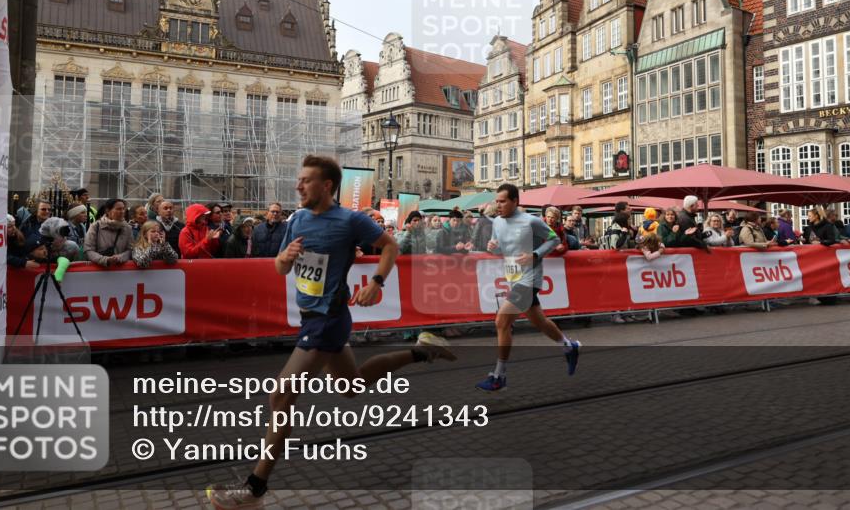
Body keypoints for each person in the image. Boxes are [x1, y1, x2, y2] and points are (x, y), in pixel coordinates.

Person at [205, 155, 455, 509]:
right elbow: (279, 267)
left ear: (326, 186)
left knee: (280, 396)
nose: (298, 185)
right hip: (311, 317)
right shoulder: (298, 219)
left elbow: (390, 246)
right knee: (351, 386)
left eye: (305, 180)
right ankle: (422, 349)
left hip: (328, 317)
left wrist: (377, 282)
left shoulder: (350, 220)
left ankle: (254, 490)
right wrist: (287, 257)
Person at [477, 183, 579, 392]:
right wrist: (492, 248)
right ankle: (569, 346)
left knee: (501, 322)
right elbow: (502, 249)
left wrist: (535, 255)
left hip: (530, 278)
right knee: (539, 321)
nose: (499, 205)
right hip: (514, 277)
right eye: (497, 201)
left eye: (503, 201)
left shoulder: (531, 221)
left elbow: (553, 239)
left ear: (515, 202)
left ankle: (499, 375)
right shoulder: (497, 222)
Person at [84, 199, 133, 266]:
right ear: (108, 211)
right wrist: (105, 260)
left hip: (120, 270)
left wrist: (119, 258)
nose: (122, 211)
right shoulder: (95, 226)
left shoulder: (128, 228)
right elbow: (88, 250)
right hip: (99, 270)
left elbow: (130, 250)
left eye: (123, 209)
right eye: (118, 209)